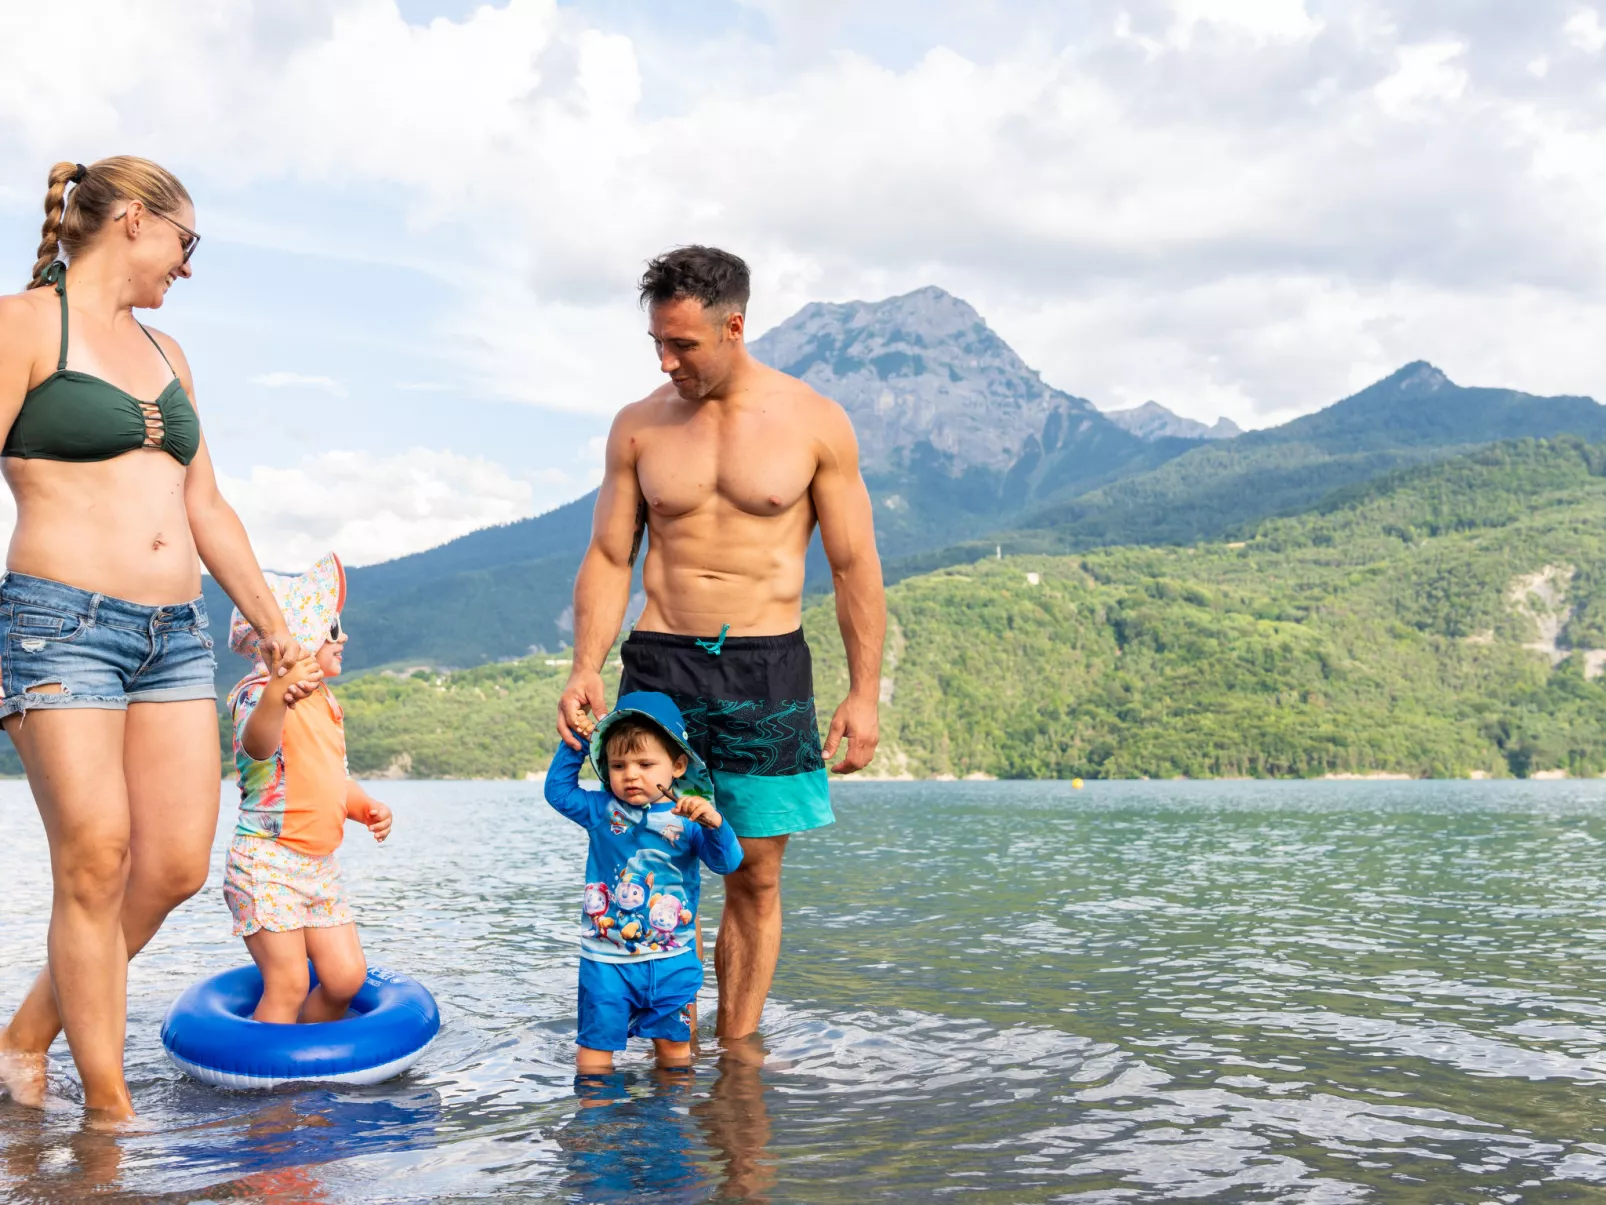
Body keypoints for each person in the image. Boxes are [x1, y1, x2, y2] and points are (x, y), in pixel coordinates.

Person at [0, 157, 312, 1122]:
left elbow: (205, 503)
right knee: (94, 856)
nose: (188, 265)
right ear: (135, 220)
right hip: (60, 624)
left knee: (173, 864)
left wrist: (275, 624)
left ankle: (18, 1041)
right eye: (187, 242)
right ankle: (107, 1113)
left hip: (174, 636)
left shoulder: (170, 353)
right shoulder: (20, 325)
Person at [556, 245, 886, 1042]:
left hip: (765, 667)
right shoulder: (639, 426)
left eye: (684, 345)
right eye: (657, 345)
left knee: (756, 874)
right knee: (644, 850)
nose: (668, 361)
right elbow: (609, 555)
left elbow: (852, 565)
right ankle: (666, 1046)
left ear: (734, 326)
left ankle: (735, 1061)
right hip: (658, 660)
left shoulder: (814, 423)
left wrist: (864, 690)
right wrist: (584, 666)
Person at [224, 551, 393, 1024]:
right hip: (267, 863)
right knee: (290, 982)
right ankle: (267, 1096)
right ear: (297, 637)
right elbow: (258, 746)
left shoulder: (327, 703)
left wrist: (365, 806)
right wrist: (279, 691)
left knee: (345, 977)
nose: (344, 637)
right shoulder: (257, 694)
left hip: (318, 868)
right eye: (333, 628)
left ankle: (306, 1066)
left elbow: (331, 778)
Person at [545, 691, 744, 1070]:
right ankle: (595, 1122)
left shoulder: (690, 819)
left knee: (674, 1055)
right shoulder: (600, 811)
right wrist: (578, 741)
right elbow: (557, 792)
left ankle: (669, 1125)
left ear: (678, 766)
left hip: (672, 961)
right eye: (618, 765)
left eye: (646, 763)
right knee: (594, 1055)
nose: (631, 774)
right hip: (605, 962)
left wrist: (715, 823)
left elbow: (728, 863)